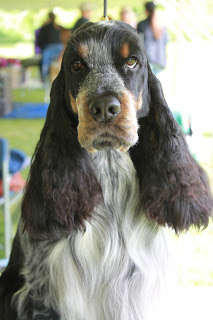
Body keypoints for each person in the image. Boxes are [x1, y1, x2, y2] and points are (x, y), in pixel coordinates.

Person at [137, 1, 168, 76]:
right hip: (160, 60)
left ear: (146, 11)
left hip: (148, 59)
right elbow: (166, 41)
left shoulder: (142, 25)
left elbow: (138, 42)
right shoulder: (162, 26)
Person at [37, 12, 64, 82]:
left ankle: (44, 78)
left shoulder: (44, 28)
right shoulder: (59, 27)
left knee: (44, 63)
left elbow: (40, 41)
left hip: (50, 49)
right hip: (58, 48)